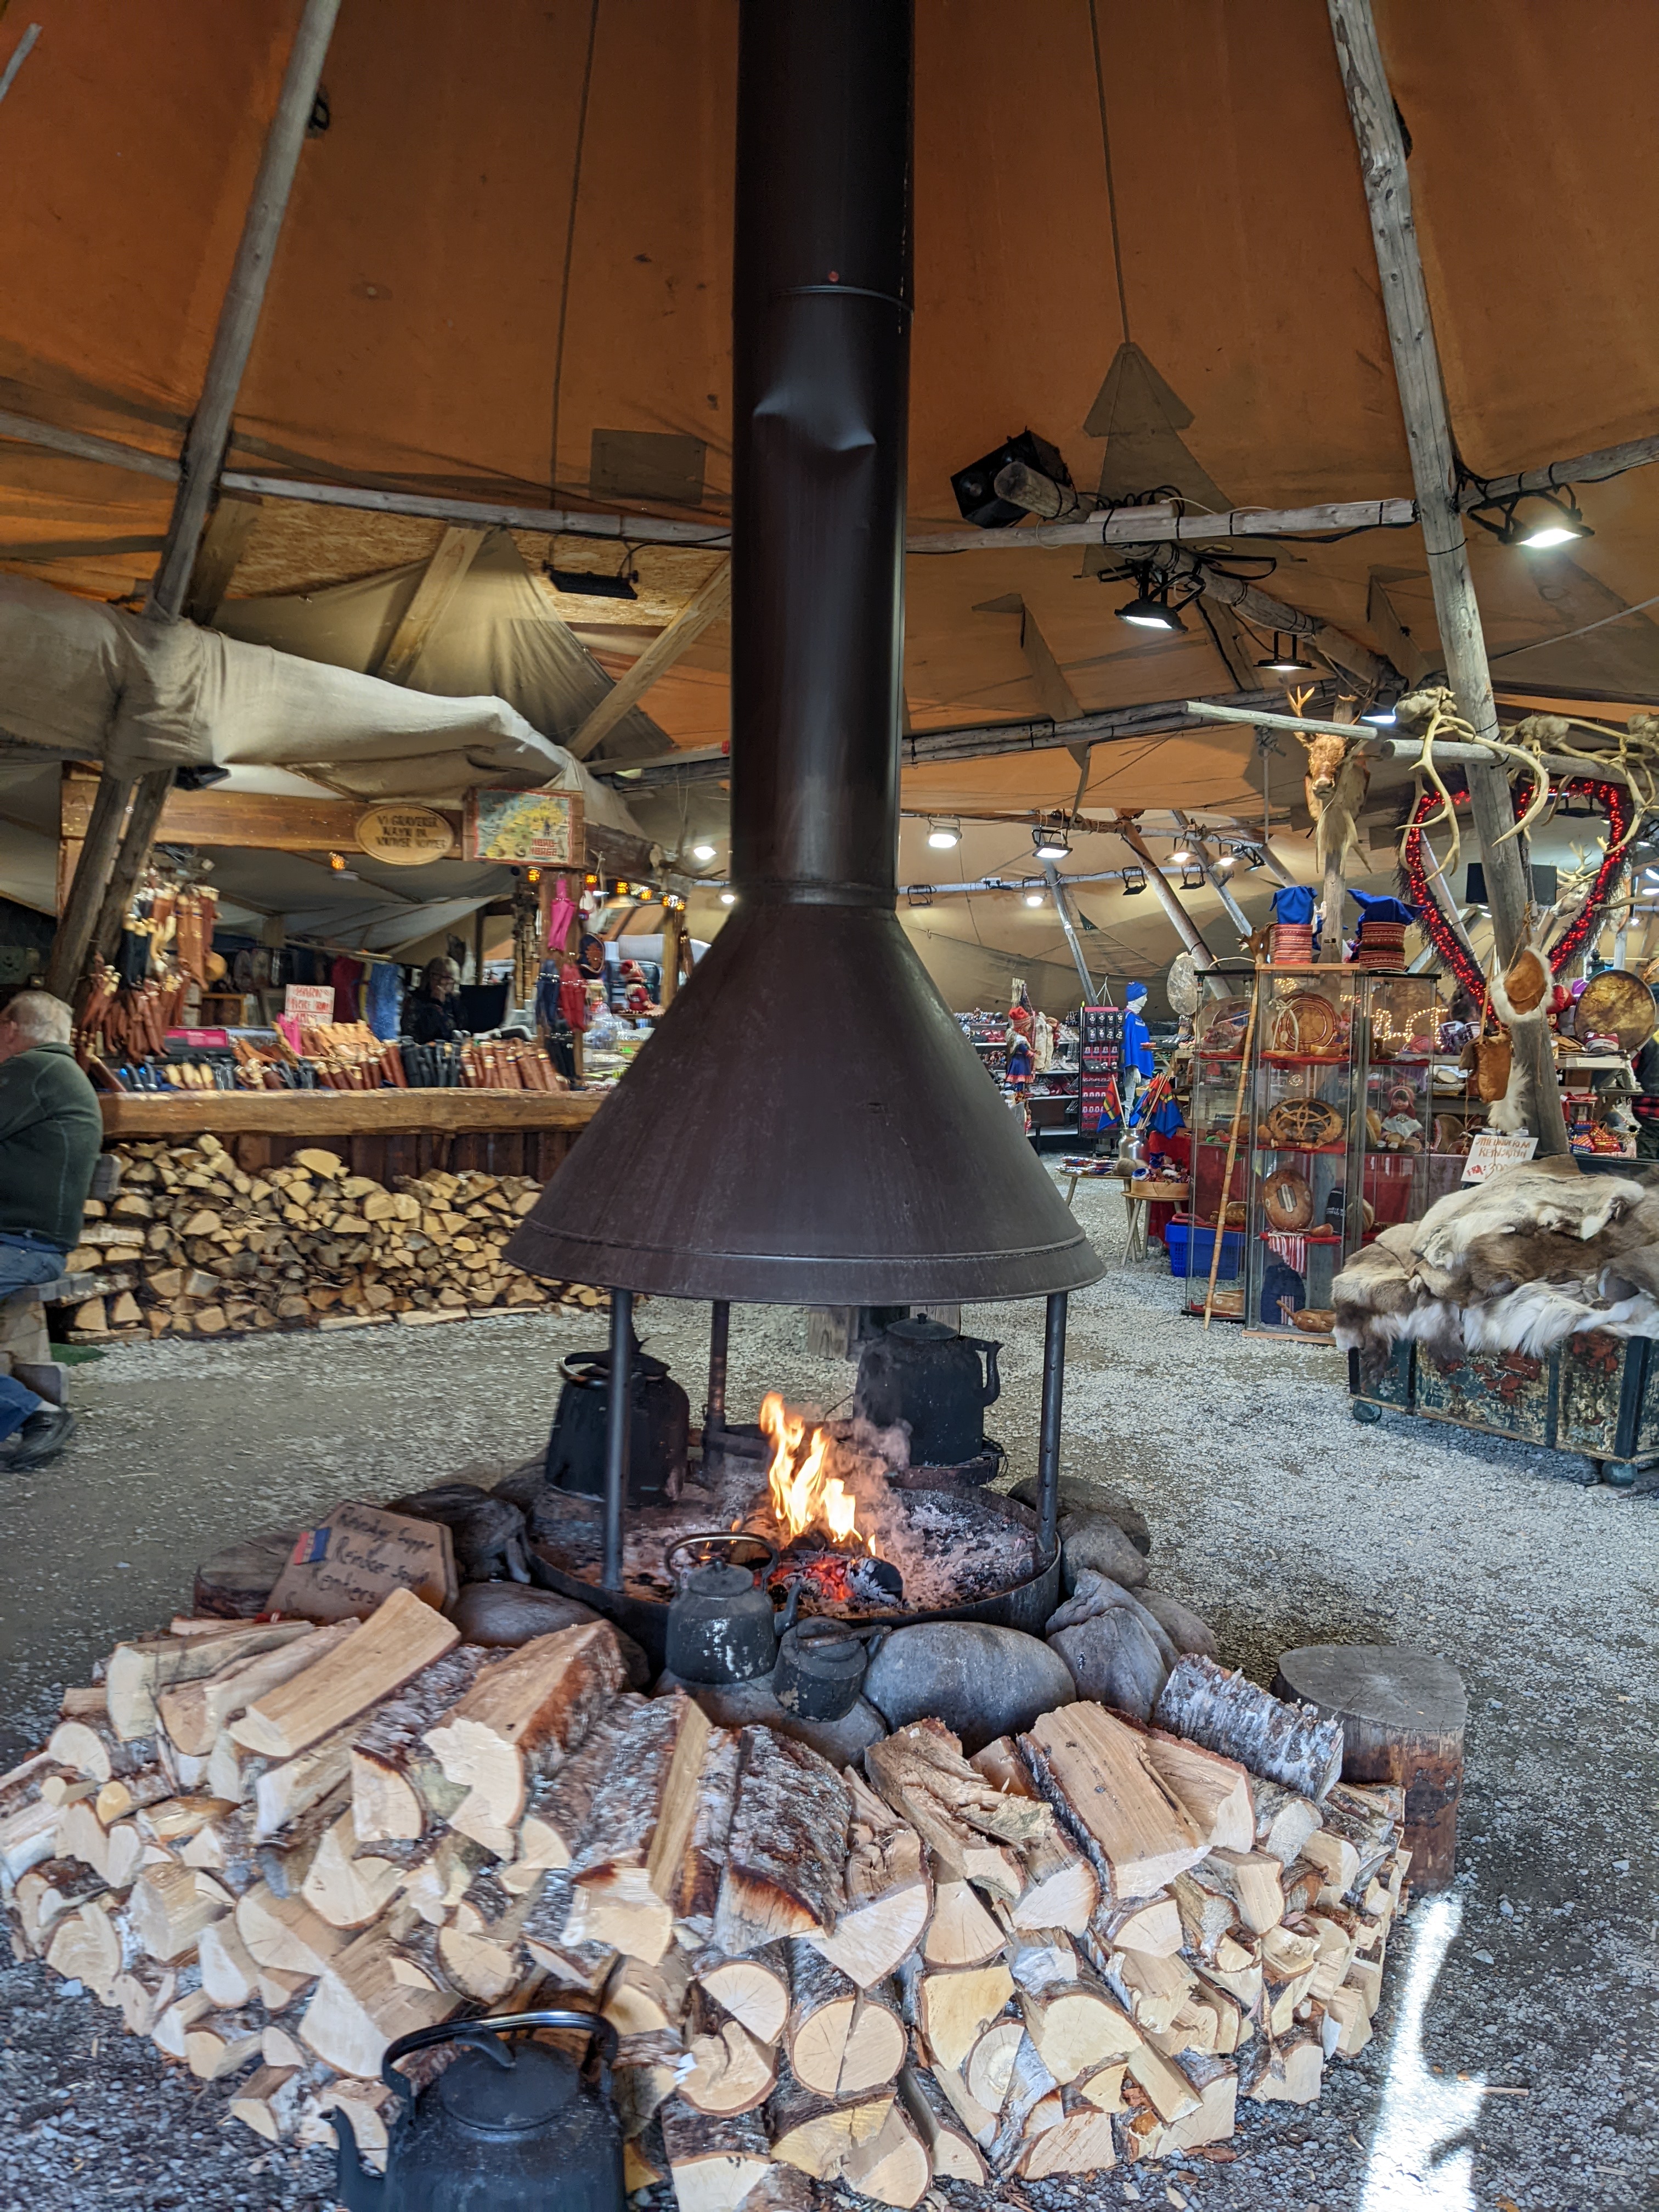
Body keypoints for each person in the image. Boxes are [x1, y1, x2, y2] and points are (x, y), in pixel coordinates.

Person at [0, 991, 103, 1466]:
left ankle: (34, 1413)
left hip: (20, 1243)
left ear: (10, 1029)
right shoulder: (54, 1072)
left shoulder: (33, 1070)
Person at [401, 957, 462, 1045]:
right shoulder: (415, 999)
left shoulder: (456, 1002)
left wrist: (443, 1006)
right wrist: (435, 1004)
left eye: (447, 977)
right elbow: (418, 1034)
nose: (441, 981)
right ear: (428, 977)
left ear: (454, 981)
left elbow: (455, 1033)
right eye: (437, 975)